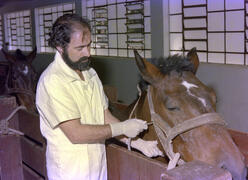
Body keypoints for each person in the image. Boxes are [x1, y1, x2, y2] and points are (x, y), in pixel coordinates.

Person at [36, 14, 161, 180]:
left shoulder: (90, 74)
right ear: (60, 47)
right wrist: (123, 128)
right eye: (80, 48)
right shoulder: (53, 81)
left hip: (98, 166)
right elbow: (76, 133)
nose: (88, 53)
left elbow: (104, 116)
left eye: (89, 45)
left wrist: (138, 143)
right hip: (70, 171)